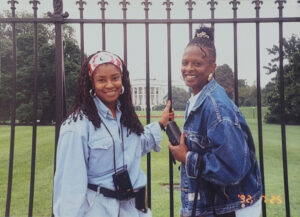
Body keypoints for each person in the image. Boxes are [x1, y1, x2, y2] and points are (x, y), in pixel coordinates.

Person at [53, 51, 173, 217]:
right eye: (101, 80)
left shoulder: (126, 116)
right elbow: (70, 185)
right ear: (91, 83)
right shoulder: (77, 126)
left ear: (122, 80)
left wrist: (160, 124)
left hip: (135, 206)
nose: (110, 85)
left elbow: (135, 146)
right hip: (101, 209)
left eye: (115, 78)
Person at [168, 26, 262, 217]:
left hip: (232, 207)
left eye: (197, 63)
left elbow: (233, 168)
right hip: (214, 204)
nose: (189, 69)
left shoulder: (216, 106)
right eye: (185, 62)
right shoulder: (196, 98)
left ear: (212, 67)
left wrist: (186, 158)